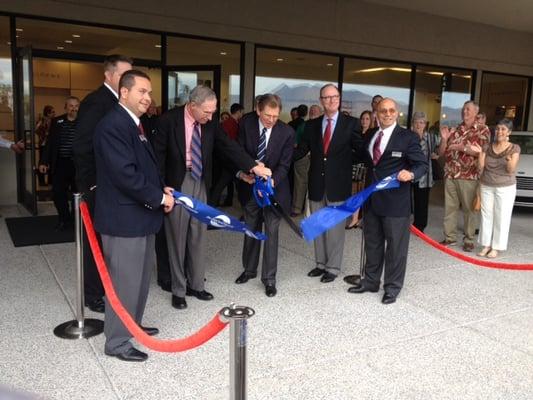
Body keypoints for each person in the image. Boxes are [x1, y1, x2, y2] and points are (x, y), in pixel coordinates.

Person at [153, 85, 272, 310]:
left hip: (200, 182)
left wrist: (252, 166)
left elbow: (228, 147)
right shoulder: (168, 121)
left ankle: (196, 285)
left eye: (213, 111)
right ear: (192, 105)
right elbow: (156, 159)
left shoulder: (209, 125)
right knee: (177, 239)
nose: (210, 116)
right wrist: (161, 189)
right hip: (177, 184)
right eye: (206, 112)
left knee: (198, 235)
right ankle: (178, 290)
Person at [93, 69, 175, 362]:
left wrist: (159, 187)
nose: (147, 98)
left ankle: (132, 327)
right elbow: (125, 175)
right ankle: (117, 343)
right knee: (124, 283)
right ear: (124, 92)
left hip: (139, 217)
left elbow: (141, 168)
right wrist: (159, 197)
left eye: (149, 93)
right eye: (141, 91)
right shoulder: (114, 125)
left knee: (139, 281)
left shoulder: (133, 124)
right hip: (123, 221)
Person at [348, 98, 427, 304]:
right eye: (383, 111)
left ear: (397, 113)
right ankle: (371, 281)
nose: (387, 114)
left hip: (396, 204)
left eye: (391, 110)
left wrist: (410, 174)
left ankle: (392, 287)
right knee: (372, 244)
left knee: (395, 248)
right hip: (372, 201)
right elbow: (368, 162)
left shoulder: (408, 137)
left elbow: (421, 164)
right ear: (377, 113)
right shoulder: (372, 135)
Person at [72, 54, 133, 313]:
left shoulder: (117, 102)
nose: (128, 79)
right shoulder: (97, 102)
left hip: (113, 185)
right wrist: (92, 185)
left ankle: (106, 287)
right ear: (109, 75)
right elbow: (82, 146)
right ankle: (93, 293)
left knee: (108, 239)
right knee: (94, 240)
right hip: (98, 185)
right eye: (124, 74)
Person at [293, 83, 363, 283]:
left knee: (334, 230)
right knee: (319, 227)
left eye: (335, 97)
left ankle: (332, 267)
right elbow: (301, 151)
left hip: (338, 185)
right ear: (321, 101)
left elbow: (360, 151)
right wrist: (279, 157)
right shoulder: (312, 125)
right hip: (316, 183)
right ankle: (320, 264)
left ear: (339, 99)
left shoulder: (351, 124)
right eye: (327, 97)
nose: (331, 100)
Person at [234, 94, 294, 297]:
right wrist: (250, 170)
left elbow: (285, 165)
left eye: (276, 116)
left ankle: (269, 279)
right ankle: (249, 270)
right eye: (267, 115)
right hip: (250, 186)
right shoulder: (246, 124)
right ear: (258, 110)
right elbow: (239, 151)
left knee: (271, 232)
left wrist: (270, 181)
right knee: (251, 229)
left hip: (274, 191)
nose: (271, 120)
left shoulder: (287, 132)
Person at [438, 101, 489, 252]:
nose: (464, 112)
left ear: (476, 112)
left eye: (468, 109)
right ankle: (450, 238)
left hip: (469, 175)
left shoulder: (482, 129)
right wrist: (444, 139)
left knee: (469, 210)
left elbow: (482, 151)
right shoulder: (455, 129)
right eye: (463, 109)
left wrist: (462, 147)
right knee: (450, 208)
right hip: (450, 174)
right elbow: (442, 153)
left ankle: (469, 239)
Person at [472, 119, 520, 258]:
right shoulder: (487, 146)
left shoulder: (514, 148)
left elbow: (511, 170)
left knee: (501, 216)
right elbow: (480, 167)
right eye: (498, 129)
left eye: (503, 129)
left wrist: (510, 162)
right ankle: (486, 245)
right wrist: (480, 155)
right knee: (486, 216)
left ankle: (496, 247)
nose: (499, 132)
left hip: (505, 187)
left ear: (509, 132)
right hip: (486, 185)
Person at [38, 96, 80, 231]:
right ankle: (64, 219)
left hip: (78, 164)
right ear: (65, 107)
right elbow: (50, 143)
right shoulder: (57, 121)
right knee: (58, 193)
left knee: (77, 194)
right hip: (60, 163)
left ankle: (76, 221)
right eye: (70, 105)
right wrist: (43, 161)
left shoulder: (85, 121)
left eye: (76, 105)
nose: (73, 108)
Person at [210, 102, 245, 207]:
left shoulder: (226, 123)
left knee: (228, 182)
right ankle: (212, 205)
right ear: (238, 112)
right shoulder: (233, 124)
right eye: (242, 112)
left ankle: (227, 201)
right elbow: (232, 144)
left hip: (224, 158)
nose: (242, 114)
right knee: (225, 183)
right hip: (230, 159)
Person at [411, 111, 438, 232]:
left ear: (425, 124)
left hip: (425, 176)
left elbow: (439, 151)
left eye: (422, 122)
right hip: (409, 173)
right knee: (408, 200)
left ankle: (420, 225)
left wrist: (445, 140)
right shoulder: (408, 136)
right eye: (417, 122)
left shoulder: (431, 137)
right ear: (413, 123)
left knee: (422, 201)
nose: (419, 125)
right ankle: (407, 222)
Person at [346, 110, 373, 229]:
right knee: (354, 194)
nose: (364, 121)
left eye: (367, 119)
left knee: (363, 194)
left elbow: (365, 153)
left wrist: (355, 154)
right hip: (354, 167)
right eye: (362, 118)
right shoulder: (356, 133)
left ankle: (363, 219)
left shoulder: (372, 134)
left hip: (365, 168)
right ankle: (354, 218)